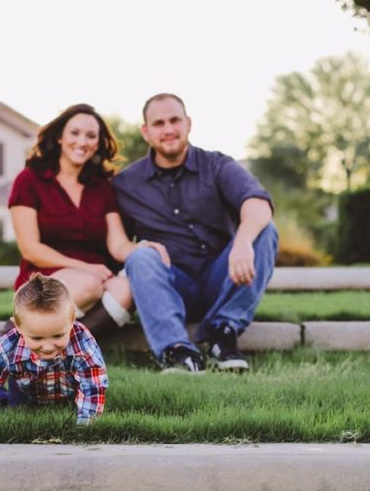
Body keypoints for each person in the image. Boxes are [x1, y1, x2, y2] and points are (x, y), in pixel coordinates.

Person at [0, 103, 168, 349]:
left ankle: (67, 351)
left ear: (98, 143)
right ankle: (9, 341)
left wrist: (143, 249)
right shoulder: (29, 181)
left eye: (91, 136)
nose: (82, 141)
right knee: (87, 285)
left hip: (98, 274)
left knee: (126, 288)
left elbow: (118, 244)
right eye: (75, 133)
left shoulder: (103, 186)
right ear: (60, 136)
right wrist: (86, 268)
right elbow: (30, 249)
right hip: (49, 274)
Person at [113, 93, 278, 374]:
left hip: (224, 280)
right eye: (159, 123)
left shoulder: (216, 165)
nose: (168, 130)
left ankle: (222, 334)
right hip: (171, 287)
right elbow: (115, 242)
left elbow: (259, 203)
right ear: (146, 131)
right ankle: (178, 352)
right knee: (141, 257)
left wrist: (242, 241)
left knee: (264, 230)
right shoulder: (126, 184)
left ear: (188, 123)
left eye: (175, 120)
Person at [0, 273, 108, 425]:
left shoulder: (83, 344)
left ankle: (70, 405)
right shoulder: (8, 346)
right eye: (37, 338)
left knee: (74, 406)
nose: (48, 347)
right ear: (18, 327)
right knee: (14, 410)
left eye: (57, 336)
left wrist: (86, 424)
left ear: (72, 320)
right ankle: (1, 398)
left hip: (67, 389)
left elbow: (92, 386)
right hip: (25, 388)